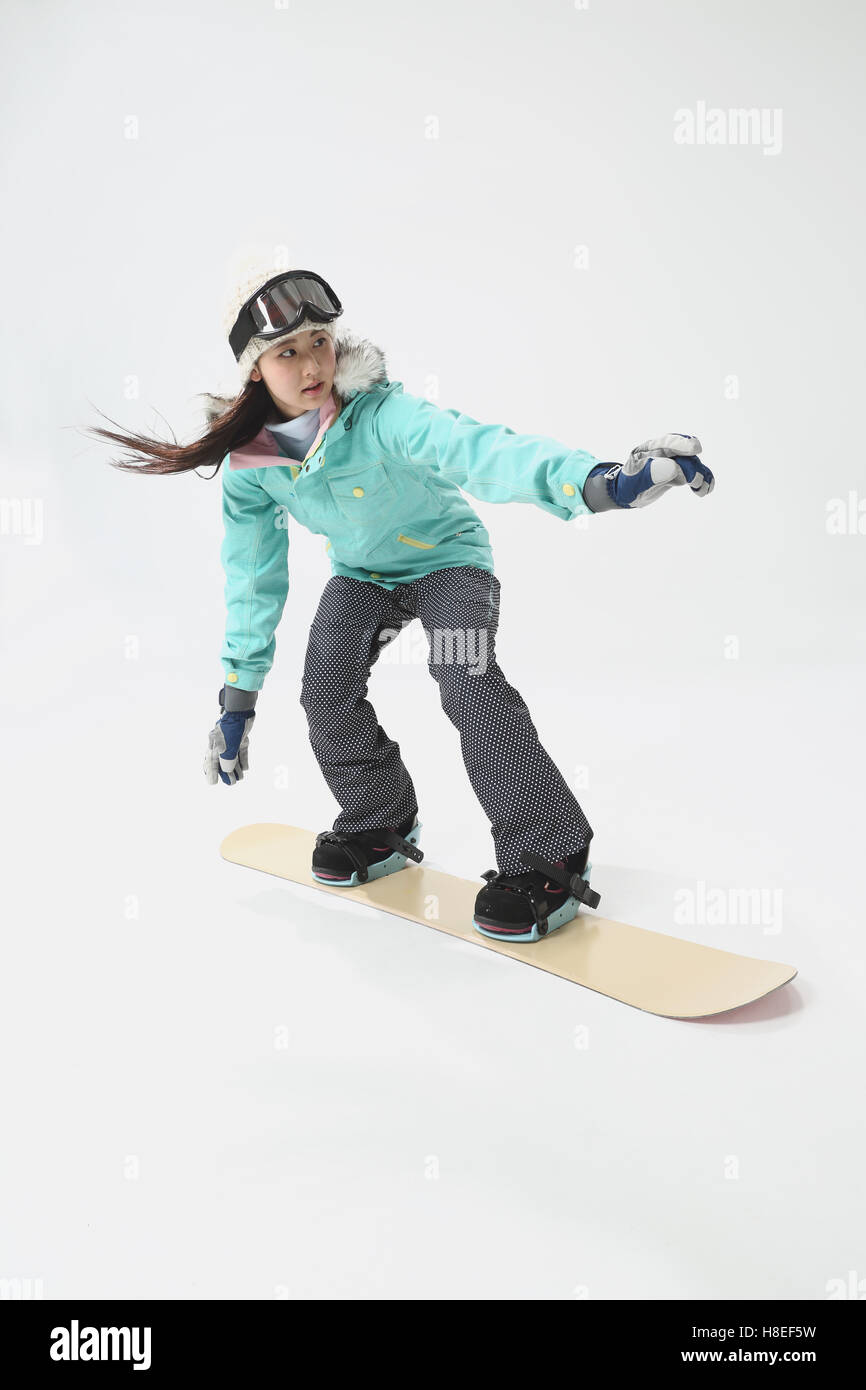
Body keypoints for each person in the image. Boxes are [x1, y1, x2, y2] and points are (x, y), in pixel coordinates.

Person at [88, 257, 714, 944]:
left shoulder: (384, 416)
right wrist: (237, 698)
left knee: (465, 679)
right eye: (286, 352)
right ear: (254, 371)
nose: (311, 364)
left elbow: (481, 451)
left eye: (320, 342)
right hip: (362, 575)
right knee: (324, 690)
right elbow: (252, 576)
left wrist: (603, 484)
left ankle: (548, 853)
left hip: (449, 565)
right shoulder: (252, 465)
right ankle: (379, 818)